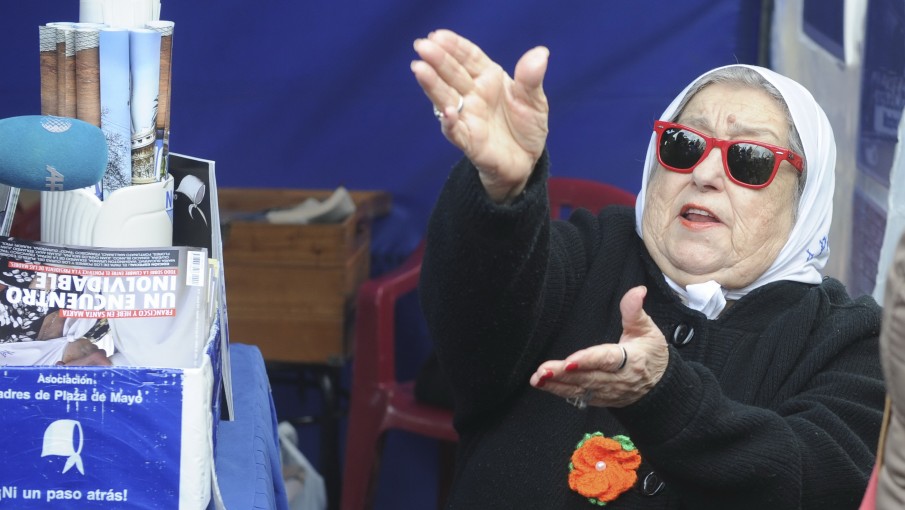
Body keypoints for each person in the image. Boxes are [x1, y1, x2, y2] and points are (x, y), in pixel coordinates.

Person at [411, 29, 885, 509]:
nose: (703, 174)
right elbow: (473, 331)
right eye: (683, 145)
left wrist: (663, 395)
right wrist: (502, 195)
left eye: (749, 159)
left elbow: (813, 482)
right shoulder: (587, 252)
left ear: (806, 199)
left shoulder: (849, 341)